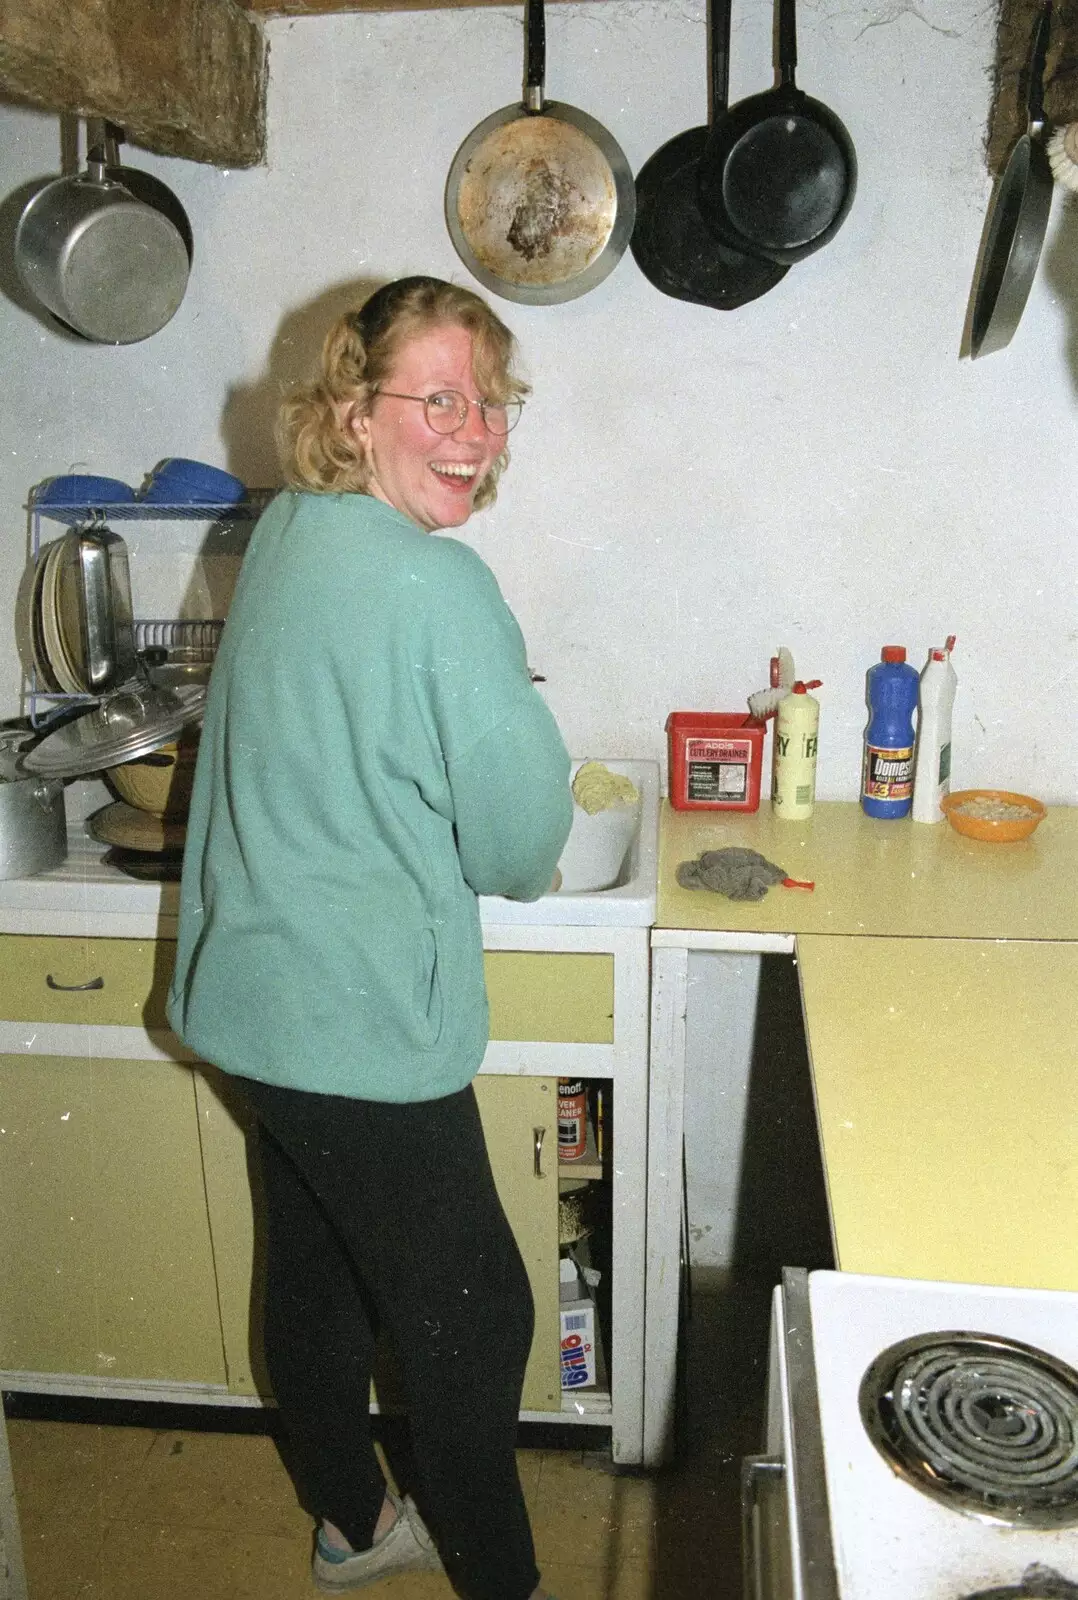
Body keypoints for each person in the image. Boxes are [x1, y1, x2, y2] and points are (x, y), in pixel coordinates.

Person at [166, 275, 573, 1600]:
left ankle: (350, 1523)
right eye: (439, 398)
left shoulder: (288, 528)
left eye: (492, 401)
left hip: (253, 1008)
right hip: (356, 1029)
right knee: (479, 1320)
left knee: (321, 1267)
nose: (476, 429)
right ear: (351, 411)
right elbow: (517, 846)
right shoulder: (440, 587)